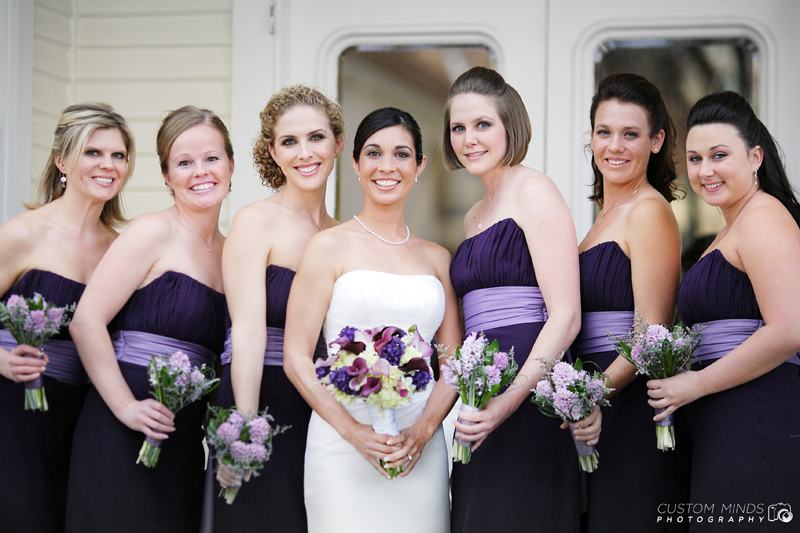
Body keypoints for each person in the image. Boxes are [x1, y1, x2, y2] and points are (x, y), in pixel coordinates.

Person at [283, 107, 460, 533]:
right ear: (356, 165)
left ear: (419, 166)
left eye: (401, 154)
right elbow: (296, 356)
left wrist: (423, 431)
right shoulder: (327, 247)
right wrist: (352, 431)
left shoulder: (437, 259)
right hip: (341, 440)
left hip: (420, 443)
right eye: (374, 153)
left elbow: (454, 362)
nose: (387, 166)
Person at [444, 66, 600, 533]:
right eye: (458, 127)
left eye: (482, 124)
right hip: (480, 394)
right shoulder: (474, 214)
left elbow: (566, 316)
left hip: (528, 395)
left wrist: (509, 400)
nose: (468, 138)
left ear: (509, 125)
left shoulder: (535, 190)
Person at [65, 106, 232, 532]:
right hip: (120, 429)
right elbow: (86, 321)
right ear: (165, 175)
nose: (200, 172)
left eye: (211, 158)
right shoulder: (150, 232)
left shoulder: (234, 254)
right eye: (184, 162)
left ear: (231, 164)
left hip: (183, 438)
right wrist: (125, 407)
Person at [648, 91, 800, 529]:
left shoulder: (764, 217)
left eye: (719, 155)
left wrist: (693, 385)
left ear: (755, 156)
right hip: (727, 419)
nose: (705, 170)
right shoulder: (733, 226)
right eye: (694, 159)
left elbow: (788, 329)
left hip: (757, 415)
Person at [212, 85, 344, 532]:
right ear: (273, 151)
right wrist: (244, 428)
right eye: (289, 141)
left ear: (338, 144)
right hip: (260, 395)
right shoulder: (255, 220)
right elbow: (246, 332)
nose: (305, 153)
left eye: (316, 137)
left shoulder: (344, 234)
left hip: (322, 405)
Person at [0, 103, 134, 533]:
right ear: (62, 160)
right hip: (13, 411)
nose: (108, 165)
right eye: (93, 152)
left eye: (118, 155)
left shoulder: (123, 248)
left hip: (85, 421)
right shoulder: (24, 233)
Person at [572, 73, 689, 532]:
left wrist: (592, 394)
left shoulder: (649, 211)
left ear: (656, 141)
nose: (614, 146)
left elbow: (652, 334)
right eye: (604, 132)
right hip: (591, 407)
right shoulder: (601, 218)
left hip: (628, 408)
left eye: (631, 134)